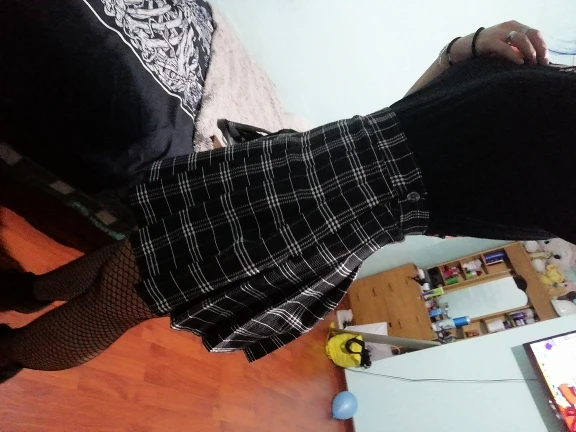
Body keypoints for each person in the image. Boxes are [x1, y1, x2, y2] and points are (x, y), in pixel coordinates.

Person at [1, 19, 574, 384]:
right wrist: (463, 50)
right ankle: (28, 293)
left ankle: (10, 354)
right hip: (308, 159)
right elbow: (411, 115)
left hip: (322, 216)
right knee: (139, 252)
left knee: (125, 296)